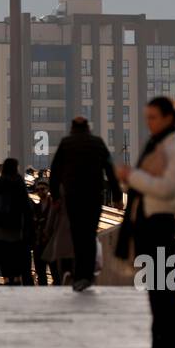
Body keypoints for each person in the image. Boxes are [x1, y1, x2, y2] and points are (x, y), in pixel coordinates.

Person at [115, 97, 175, 348]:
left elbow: (166, 188)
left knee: (169, 292)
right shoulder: (159, 147)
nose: (149, 122)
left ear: (167, 118)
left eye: (153, 117)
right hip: (150, 226)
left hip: (163, 225)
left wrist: (133, 176)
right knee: (157, 291)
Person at [51, 116, 123, 292]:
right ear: (88, 128)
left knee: (77, 235)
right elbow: (110, 169)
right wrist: (117, 196)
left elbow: (55, 171)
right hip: (93, 196)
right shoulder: (97, 143)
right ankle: (87, 275)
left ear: (72, 128)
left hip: (73, 197)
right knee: (90, 234)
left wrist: (56, 197)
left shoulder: (66, 143)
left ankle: (79, 275)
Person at [0, 158, 35, 284]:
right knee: (14, 257)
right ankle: (13, 278)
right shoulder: (19, 183)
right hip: (16, 229)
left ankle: (5, 279)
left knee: (0, 256)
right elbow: (27, 208)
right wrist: (29, 228)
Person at [31, 179, 56, 285]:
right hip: (38, 245)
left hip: (51, 244)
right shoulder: (36, 207)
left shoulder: (53, 206)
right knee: (41, 273)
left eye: (42, 189)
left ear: (48, 189)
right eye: (38, 190)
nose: (40, 191)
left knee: (55, 273)